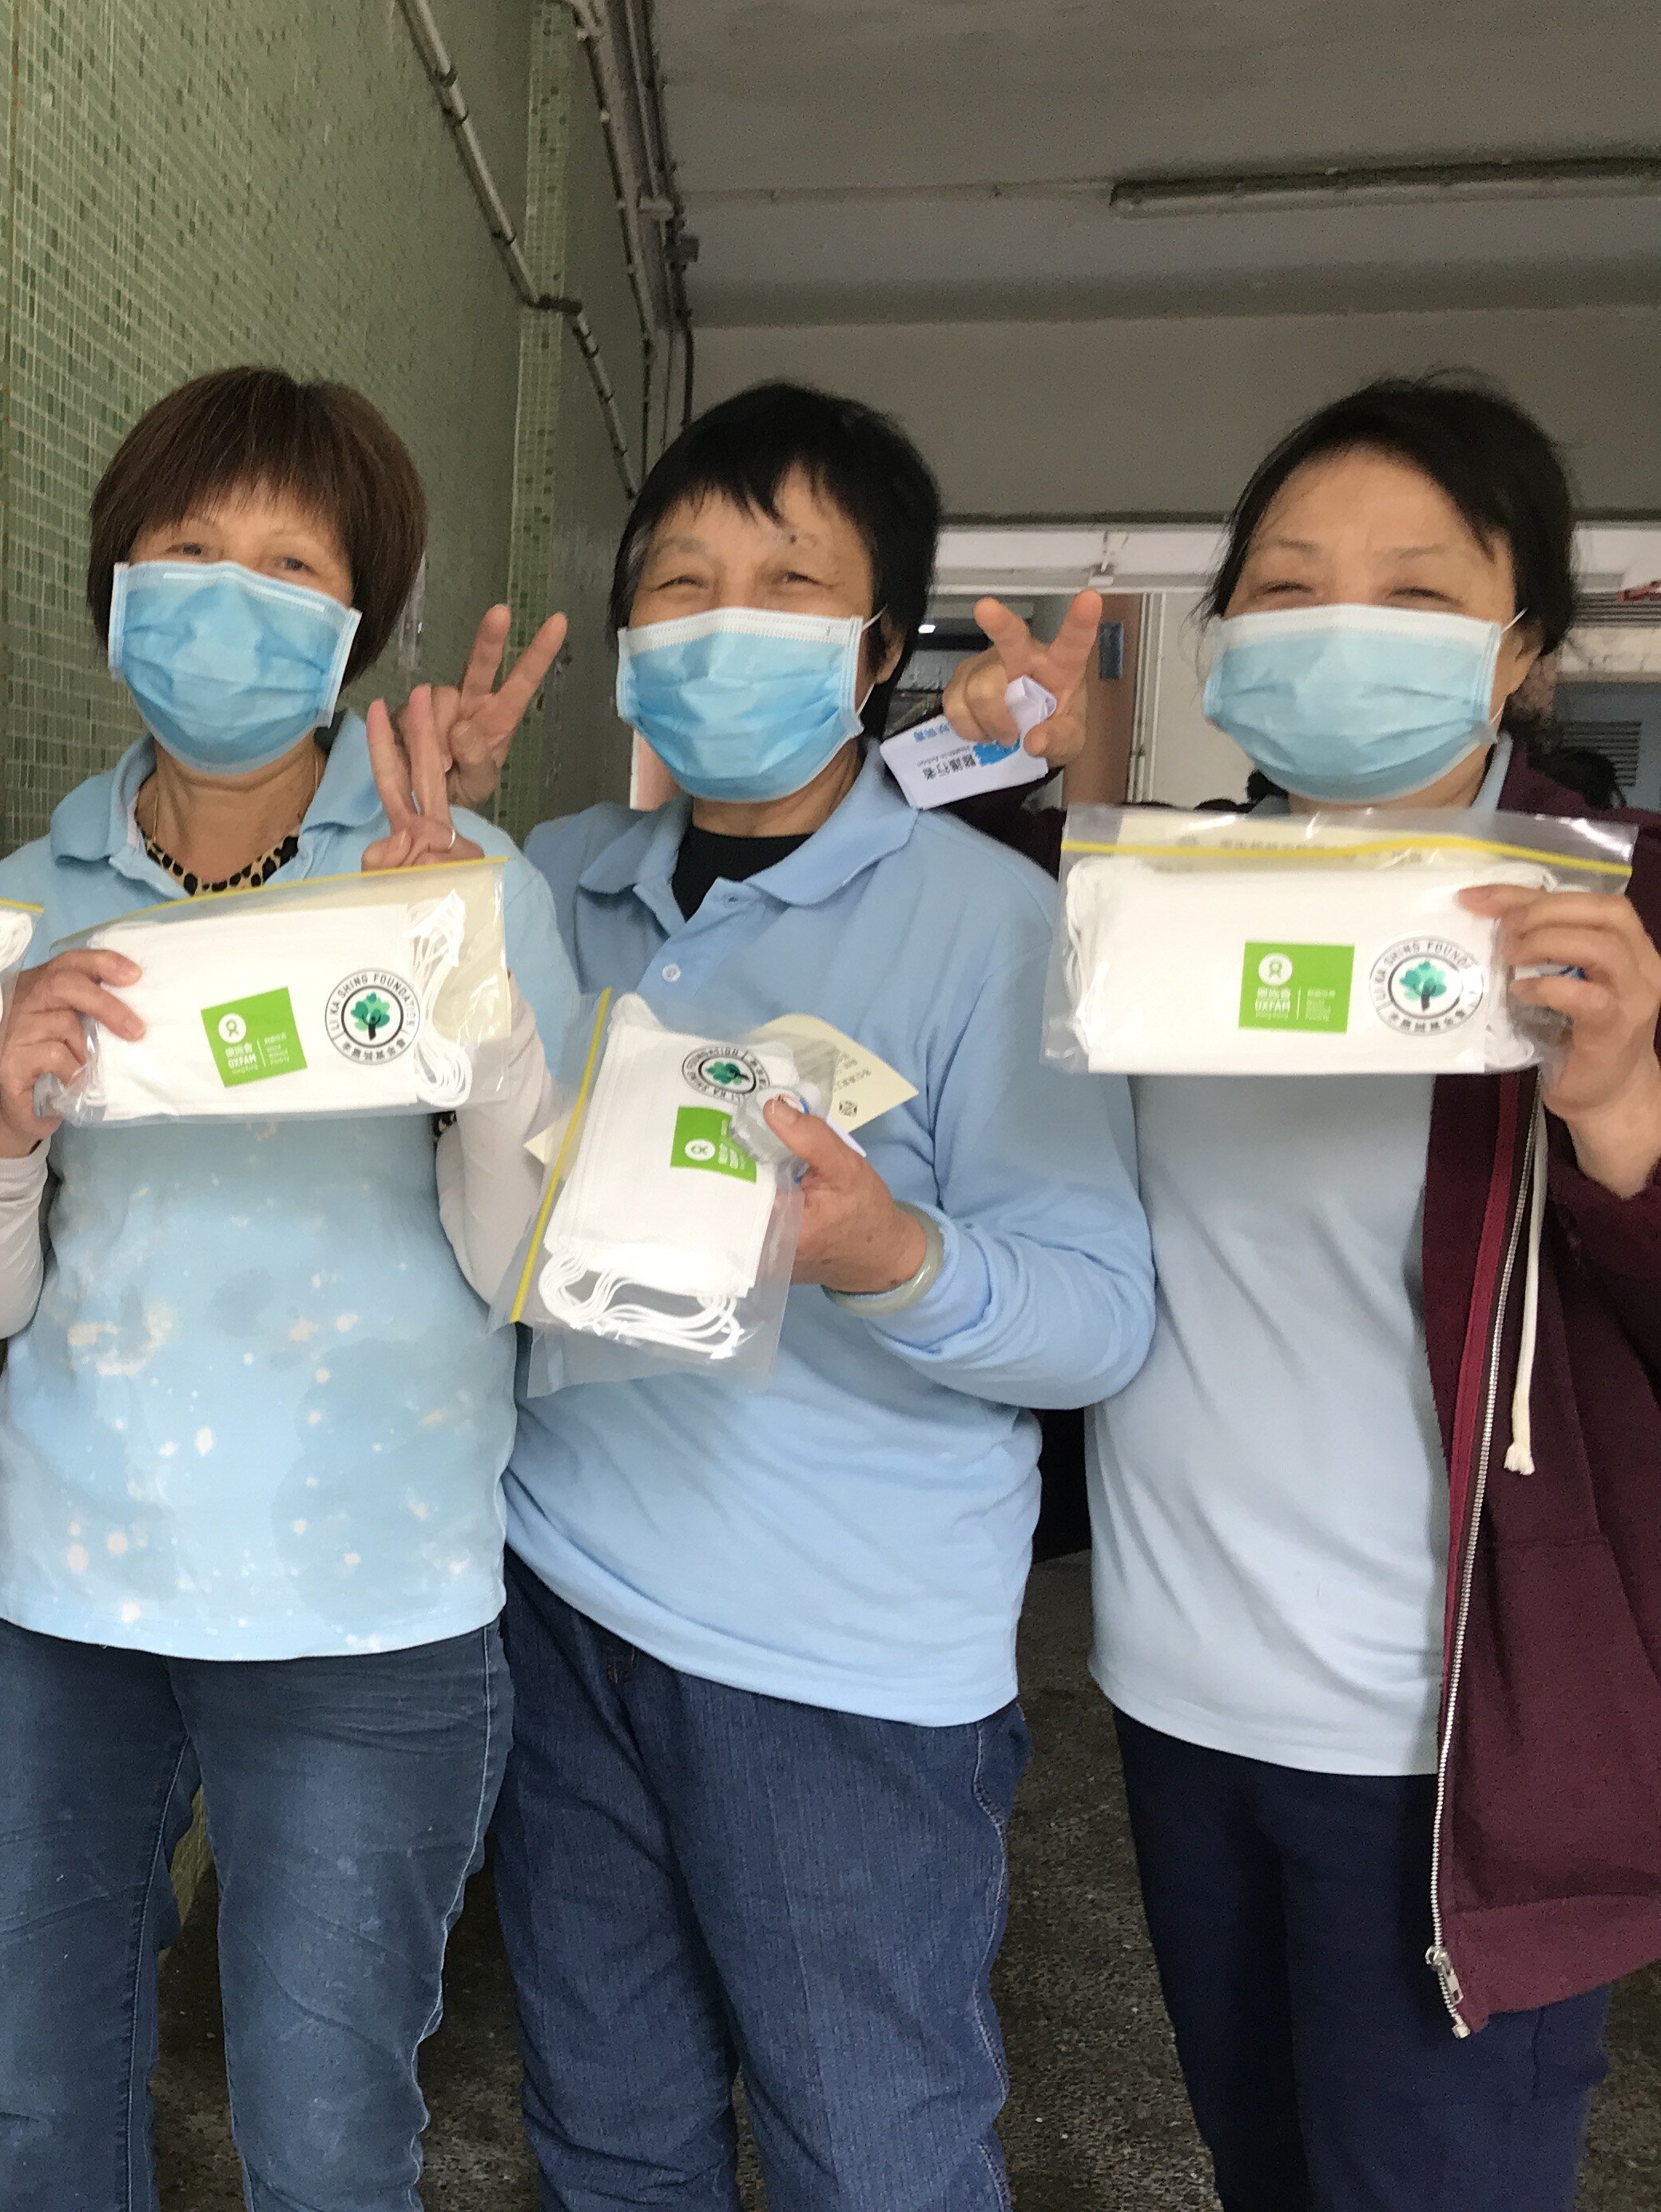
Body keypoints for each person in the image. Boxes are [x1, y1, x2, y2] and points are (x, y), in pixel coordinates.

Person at [936, 375, 1661, 2212]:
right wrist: (984, 762)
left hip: (1446, 1747)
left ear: (1518, 653)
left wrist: (1622, 1126)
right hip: (1179, 1696)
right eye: (1285, 584)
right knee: (1259, 2165)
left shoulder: (1617, 926)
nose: (1340, 629)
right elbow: (927, 927)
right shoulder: (1155, 893)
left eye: (1413, 595)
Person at [487, 382, 1157, 2211]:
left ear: (870, 651)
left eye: (783, 587)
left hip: (838, 1670)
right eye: (681, 583)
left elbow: (1098, 1314)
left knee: (870, 2152)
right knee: (604, 2129)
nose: (722, 623)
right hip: (558, 1603)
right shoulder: (559, 881)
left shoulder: (985, 921)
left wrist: (889, 1255)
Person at [0, 364, 574, 2212]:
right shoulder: (29, 898)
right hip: (62, 1602)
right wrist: (1, 1121)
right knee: (49, 2097)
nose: (230, 592)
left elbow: (510, 1261)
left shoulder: (465, 881)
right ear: (114, 585)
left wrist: (462, 984)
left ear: (356, 620)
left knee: (322, 2132)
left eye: (288, 561)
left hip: (367, 1618)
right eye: (187, 547)